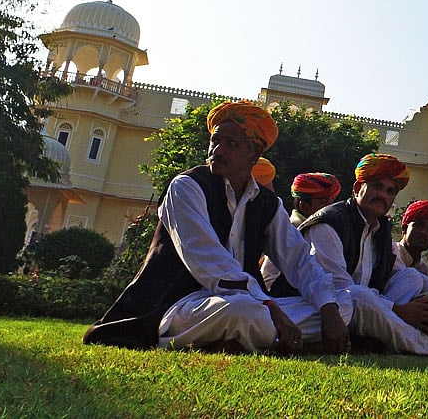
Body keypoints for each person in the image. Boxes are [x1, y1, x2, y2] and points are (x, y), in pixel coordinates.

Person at [83, 100, 350, 355]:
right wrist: (270, 307)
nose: (217, 150)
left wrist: (328, 308)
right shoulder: (187, 187)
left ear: (254, 154)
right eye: (215, 141)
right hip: (180, 305)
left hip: (246, 304)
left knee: (345, 304)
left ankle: (250, 340)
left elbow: (299, 260)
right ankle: (279, 340)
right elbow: (209, 261)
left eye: (231, 143)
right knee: (244, 311)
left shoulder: (267, 204)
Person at [306, 153, 428, 357]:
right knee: (359, 296)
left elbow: (407, 277)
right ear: (358, 189)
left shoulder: (380, 231)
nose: (383, 195)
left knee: (411, 277)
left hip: (362, 308)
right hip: (320, 309)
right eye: (376, 186)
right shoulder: (329, 223)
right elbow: (339, 287)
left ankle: (374, 340)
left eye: (390, 191)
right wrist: (398, 310)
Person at [261, 171, 341, 293]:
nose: (330, 208)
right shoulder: (288, 230)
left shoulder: (330, 229)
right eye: (323, 202)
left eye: (332, 201)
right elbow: (268, 278)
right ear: (303, 206)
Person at [397, 200, 428, 276]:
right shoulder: (387, 255)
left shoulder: (422, 270)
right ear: (405, 228)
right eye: (419, 225)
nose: (424, 232)